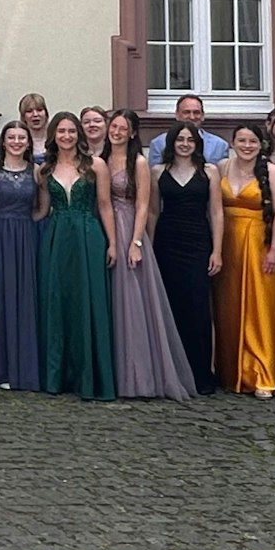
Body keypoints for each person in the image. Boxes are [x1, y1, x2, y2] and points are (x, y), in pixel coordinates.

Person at [100, 110, 196, 400]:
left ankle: (137, 375)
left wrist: (136, 243)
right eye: (113, 126)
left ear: (132, 133)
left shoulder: (139, 162)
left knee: (132, 304)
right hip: (102, 229)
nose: (116, 131)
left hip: (129, 226)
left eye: (122, 128)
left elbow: (143, 205)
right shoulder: (101, 159)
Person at [214, 123, 275, 398]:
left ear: (261, 144)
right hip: (229, 245)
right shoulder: (221, 168)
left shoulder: (273, 173)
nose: (246, 146)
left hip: (260, 244)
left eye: (252, 141)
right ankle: (233, 372)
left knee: (260, 308)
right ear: (232, 143)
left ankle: (262, 373)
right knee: (229, 308)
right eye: (241, 140)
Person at [37, 112, 115, 401]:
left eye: (71, 131)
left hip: (87, 234)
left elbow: (105, 205)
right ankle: (59, 375)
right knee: (59, 301)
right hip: (57, 238)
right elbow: (43, 210)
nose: (67, 136)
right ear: (53, 136)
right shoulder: (45, 169)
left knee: (88, 301)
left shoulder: (96, 165)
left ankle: (89, 376)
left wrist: (113, 243)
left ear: (79, 134)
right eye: (61, 131)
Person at [149, 121, 221, 395]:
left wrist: (217, 250)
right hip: (168, 241)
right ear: (171, 143)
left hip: (198, 241)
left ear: (197, 144)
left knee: (199, 307)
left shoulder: (209, 172)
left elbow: (216, 213)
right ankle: (174, 372)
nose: (184, 144)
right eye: (179, 139)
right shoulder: (158, 172)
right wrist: (152, 248)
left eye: (190, 140)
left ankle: (202, 374)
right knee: (173, 305)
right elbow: (154, 212)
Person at [0, 122, 42, 391]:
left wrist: (25, 225)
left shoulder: (37, 171)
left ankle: (23, 367)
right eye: (12, 137)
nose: (17, 142)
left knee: (24, 298)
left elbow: (43, 208)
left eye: (22, 137)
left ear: (29, 143)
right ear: (3, 142)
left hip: (25, 236)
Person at [147, 94, 230, 165]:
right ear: (177, 115)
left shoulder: (219, 145)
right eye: (186, 112)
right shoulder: (159, 144)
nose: (192, 117)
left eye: (196, 112)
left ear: (203, 116)